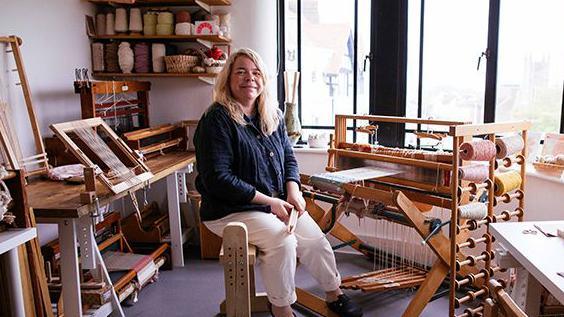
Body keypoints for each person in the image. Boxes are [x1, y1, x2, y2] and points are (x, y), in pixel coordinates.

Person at [194, 48, 363, 317]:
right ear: (227, 79)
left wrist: (293, 191)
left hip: (275, 203)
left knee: (315, 241)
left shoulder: (271, 114)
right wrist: (270, 201)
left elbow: (289, 159)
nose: (249, 78)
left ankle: (334, 294)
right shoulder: (216, 119)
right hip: (230, 209)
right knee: (282, 241)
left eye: (255, 72)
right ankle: (281, 307)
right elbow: (218, 179)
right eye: (240, 72)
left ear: (263, 80)